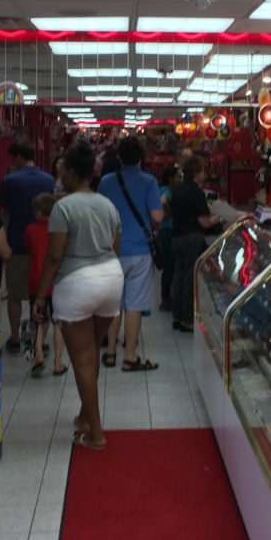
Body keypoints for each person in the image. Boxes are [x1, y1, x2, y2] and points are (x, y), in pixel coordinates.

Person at [32, 141, 123, 451]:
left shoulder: (64, 208)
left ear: (71, 173)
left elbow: (54, 257)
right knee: (92, 352)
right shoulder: (107, 204)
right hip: (111, 279)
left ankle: (95, 433)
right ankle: (85, 414)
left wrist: (41, 294)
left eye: (62, 173)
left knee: (83, 360)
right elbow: (116, 245)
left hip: (77, 283)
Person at [98, 136, 163, 372]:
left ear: (119, 156)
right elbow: (157, 217)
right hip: (140, 253)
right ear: (141, 158)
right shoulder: (149, 181)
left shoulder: (106, 181)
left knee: (115, 304)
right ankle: (130, 356)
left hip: (111, 251)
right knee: (134, 304)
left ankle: (111, 352)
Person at [0, 140, 54, 353]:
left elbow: (3, 214)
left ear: (19, 157)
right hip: (44, 247)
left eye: (13, 158)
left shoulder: (9, 181)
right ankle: (41, 339)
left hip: (17, 246)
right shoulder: (48, 179)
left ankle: (14, 336)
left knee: (14, 294)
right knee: (42, 295)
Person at [170, 156, 221, 333]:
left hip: (176, 237)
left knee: (178, 276)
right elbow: (204, 223)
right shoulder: (196, 192)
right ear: (196, 173)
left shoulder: (176, 191)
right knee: (190, 279)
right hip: (192, 238)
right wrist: (217, 218)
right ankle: (187, 320)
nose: (204, 174)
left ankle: (176, 317)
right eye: (202, 171)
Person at [26, 193, 67, 377]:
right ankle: (58, 363)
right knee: (58, 323)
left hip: (37, 281)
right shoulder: (61, 229)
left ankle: (39, 356)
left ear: (38, 213)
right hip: (57, 281)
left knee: (38, 321)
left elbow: (29, 249)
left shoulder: (31, 230)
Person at [157, 164, 181, 312]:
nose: (180, 179)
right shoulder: (166, 191)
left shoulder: (167, 190)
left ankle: (167, 296)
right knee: (169, 264)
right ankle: (165, 298)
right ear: (170, 179)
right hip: (168, 230)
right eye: (178, 176)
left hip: (166, 230)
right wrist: (169, 212)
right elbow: (163, 201)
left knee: (170, 263)